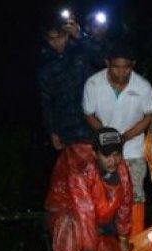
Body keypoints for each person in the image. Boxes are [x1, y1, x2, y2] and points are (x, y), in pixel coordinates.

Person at [45, 128, 133, 251]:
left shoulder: (122, 170)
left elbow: (125, 205)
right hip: (70, 214)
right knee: (70, 223)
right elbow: (85, 213)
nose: (113, 161)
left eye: (117, 155)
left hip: (98, 224)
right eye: (106, 156)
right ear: (95, 154)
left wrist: (124, 238)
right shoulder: (80, 171)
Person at [82, 41, 152, 236]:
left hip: (133, 148)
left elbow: (149, 115)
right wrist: (108, 137)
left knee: (136, 194)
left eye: (126, 67)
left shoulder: (143, 86)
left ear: (133, 64)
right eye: (116, 67)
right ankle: (105, 240)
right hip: (105, 150)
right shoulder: (93, 83)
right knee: (103, 194)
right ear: (107, 63)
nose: (122, 72)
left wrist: (124, 137)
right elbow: (89, 114)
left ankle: (135, 241)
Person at [37, 18, 92, 151]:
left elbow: (104, 57)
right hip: (66, 129)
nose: (56, 42)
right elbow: (47, 101)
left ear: (67, 34)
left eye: (60, 37)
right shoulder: (45, 64)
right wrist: (52, 132)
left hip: (93, 123)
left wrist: (80, 35)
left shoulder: (82, 50)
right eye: (51, 39)